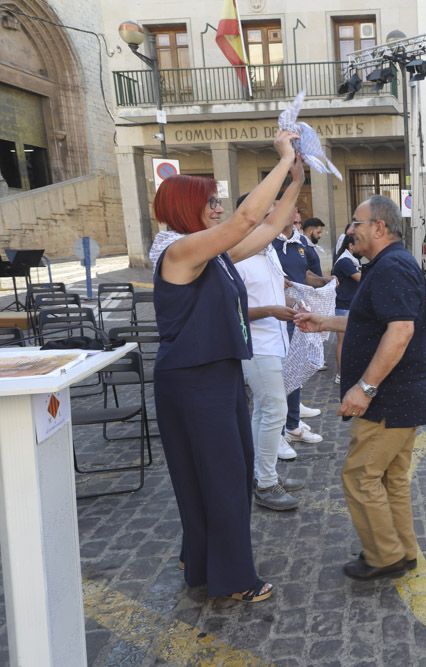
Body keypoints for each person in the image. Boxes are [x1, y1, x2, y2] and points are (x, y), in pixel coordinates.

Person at [149, 129, 301, 602]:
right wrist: (281, 157)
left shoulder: (208, 254)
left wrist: (296, 176)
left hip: (216, 375)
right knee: (222, 479)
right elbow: (244, 219)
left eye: (218, 200)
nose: (217, 207)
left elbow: (267, 227)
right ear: (183, 207)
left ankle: (200, 564)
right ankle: (233, 580)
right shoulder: (179, 252)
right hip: (194, 380)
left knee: (218, 476)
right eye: (209, 201)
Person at [294, 195, 426, 580]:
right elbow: (370, 320)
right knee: (389, 478)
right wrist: (324, 323)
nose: (349, 230)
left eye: (356, 222)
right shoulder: (389, 265)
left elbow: (401, 330)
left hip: (392, 397)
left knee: (360, 475)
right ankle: (400, 550)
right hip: (402, 395)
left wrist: (365, 388)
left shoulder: (392, 267)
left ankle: (384, 555)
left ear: (379, 227)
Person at [234, 198, 303, 511]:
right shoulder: (238, 259)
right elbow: (232, 311)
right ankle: (265, 483)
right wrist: (272, 311)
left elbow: (277, 289)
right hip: (257, 347)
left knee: (264, 412)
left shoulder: (270, 251)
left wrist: (289, 301)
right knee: (273, 410)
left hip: (275, 345)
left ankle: (262, 473)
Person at [273, 217, 325, 447]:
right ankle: (283, 429)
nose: (295, 220)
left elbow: (304, 274)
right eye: (291, 215)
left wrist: (324, 281)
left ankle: (292, 419)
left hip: (295, 313)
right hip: (277, 320)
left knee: (297, 366)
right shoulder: (266, 245)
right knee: (277, 379)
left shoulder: (298, 242)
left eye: (297, 217)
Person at [333, 234, 362, 383]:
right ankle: (340, 374)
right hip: (343, 306)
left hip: (350, 305)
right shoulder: (345, 261)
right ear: (350, 246)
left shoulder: (352, 260)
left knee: (351, 342)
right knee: (343, 342)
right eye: (358, 243)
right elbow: (360, 278)